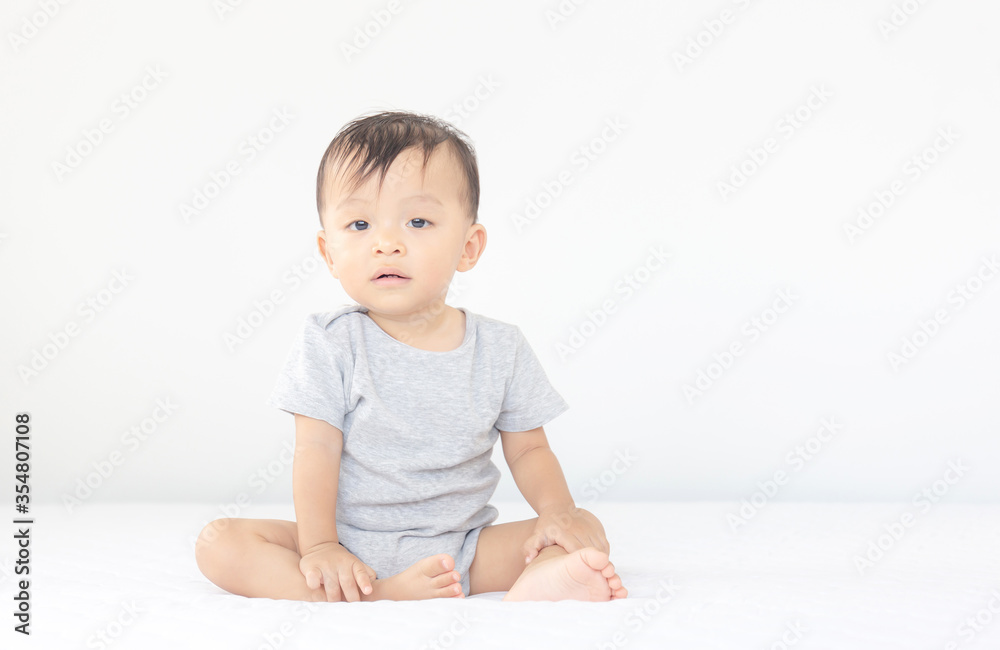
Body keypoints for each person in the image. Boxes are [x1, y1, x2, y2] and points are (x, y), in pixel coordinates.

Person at [195, 110, 628, 603]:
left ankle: (538, 582)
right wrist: (319, 546)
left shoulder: (500, 348)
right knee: (220, 543)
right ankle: (377, 593)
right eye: (359, 224)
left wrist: (556, 511)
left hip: (461, 552)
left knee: (582, 525)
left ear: (469, 246)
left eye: (418, 221)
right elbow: (315, 450)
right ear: (329, 252)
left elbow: (529, 450)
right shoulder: (330, 341)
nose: (386, 243)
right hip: (348, 548)